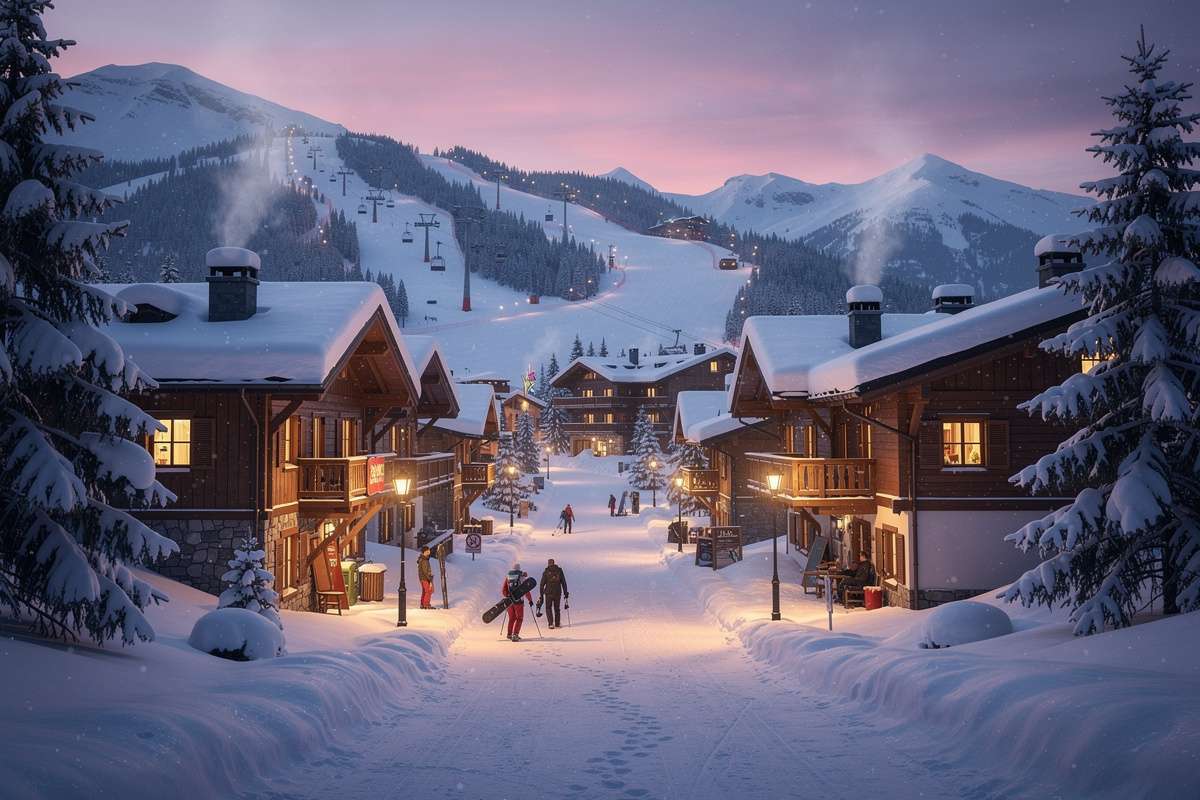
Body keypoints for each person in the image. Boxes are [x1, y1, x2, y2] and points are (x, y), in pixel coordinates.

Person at [502, 563, 534, 641]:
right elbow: (526, 590)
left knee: (511, 618)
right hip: (519, 601)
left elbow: (503, 590)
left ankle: (509, 634)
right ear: (519, 569)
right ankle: (515, 634)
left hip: (509, 601)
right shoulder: (521, 577)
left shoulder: (508, 577)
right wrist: (530, 600)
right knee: (519, 618)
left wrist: (508, 596)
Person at [538, 558, 569, 629]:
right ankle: (557, 624)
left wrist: (541, 595)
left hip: (548, 593)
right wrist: (565, 593)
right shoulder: (559, 571)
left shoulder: (546, 572)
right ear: (554, 563)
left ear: (548, 564)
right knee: (557, 608)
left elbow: (542, 584)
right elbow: (563, 582)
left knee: (548, 608)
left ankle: (551, 624)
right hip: (557, 592)